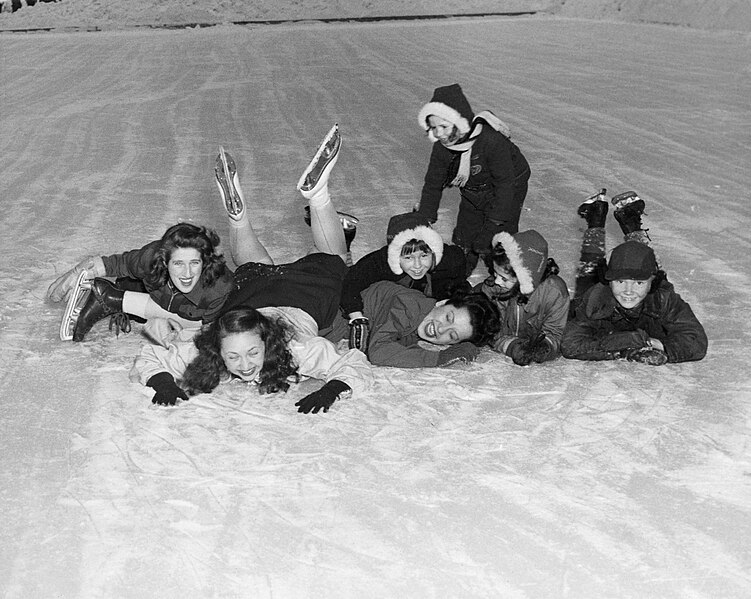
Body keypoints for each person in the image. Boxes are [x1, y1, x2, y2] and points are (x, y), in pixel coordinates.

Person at [131, 125, 372, 414]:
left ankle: (246, 218)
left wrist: (333, 390)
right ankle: (309, 198)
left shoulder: (293, 346)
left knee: (330, 259)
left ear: (267, 342)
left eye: (252, 353)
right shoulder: (289, 348)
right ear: (218, 349)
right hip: (253, 298)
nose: (245, 365)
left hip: (290, 297)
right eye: (233, 357)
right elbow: (353, 361)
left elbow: (151, 356)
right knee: (266, 265)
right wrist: (162, 384)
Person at [561, 190, 707, 364]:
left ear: (652, 283)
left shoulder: (662, 298)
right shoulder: (596, 299)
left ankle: (627, 221)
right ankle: (596, 220)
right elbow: (571, 344)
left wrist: (650, 342)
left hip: (647, 293)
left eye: (638, 283)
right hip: (599, 296)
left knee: (640, 261)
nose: (628, 291)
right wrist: (622, 346)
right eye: (620, 282)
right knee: (590, 274)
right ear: (610, 281)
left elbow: (696, 341)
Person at [47, 222, 235, 341]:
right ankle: (111, 296)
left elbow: (208, 331)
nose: (187, 273)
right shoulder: (150, 258)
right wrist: (80, 270)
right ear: (164, 261)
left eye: (194, 263)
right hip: (147, 288)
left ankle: (113, 300)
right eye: (178, 263)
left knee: (195, 325)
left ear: (205, 261)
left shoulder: (218, 288)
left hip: (183, 310)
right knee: (131, 281)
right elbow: (118, 262)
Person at [415, 83, 531, 276]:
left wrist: (492, 228)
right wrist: (423, 219)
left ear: (460, 122)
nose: (438, 134)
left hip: (510, 184)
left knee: (499, 236)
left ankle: (504, 276)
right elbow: (432, 184)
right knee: (466, 232)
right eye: (433, 127)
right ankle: (461, 268)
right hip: (474, 187)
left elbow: (505, 187)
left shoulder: (490, 141)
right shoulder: (442, 147)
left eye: (444, 126)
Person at [340, 211, 468, 354]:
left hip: (421, 287)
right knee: (342, 269)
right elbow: (349, 284)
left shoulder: (451, 261)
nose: (418, 266)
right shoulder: (380, 263)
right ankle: (344, 241)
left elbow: (460, 283)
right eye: (408, 258)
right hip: (373, 288)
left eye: (424, 256)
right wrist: (357, 319)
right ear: (395, 257)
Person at [475, 229, 570, 366]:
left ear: (525, 278)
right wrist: (512, 346)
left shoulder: (554, 292)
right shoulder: (492, 290)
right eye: (495, 274)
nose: (497, 282)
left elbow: (555, 332)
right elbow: (490, 331)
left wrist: (543, 347)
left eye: (504, 278)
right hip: (483, 301)